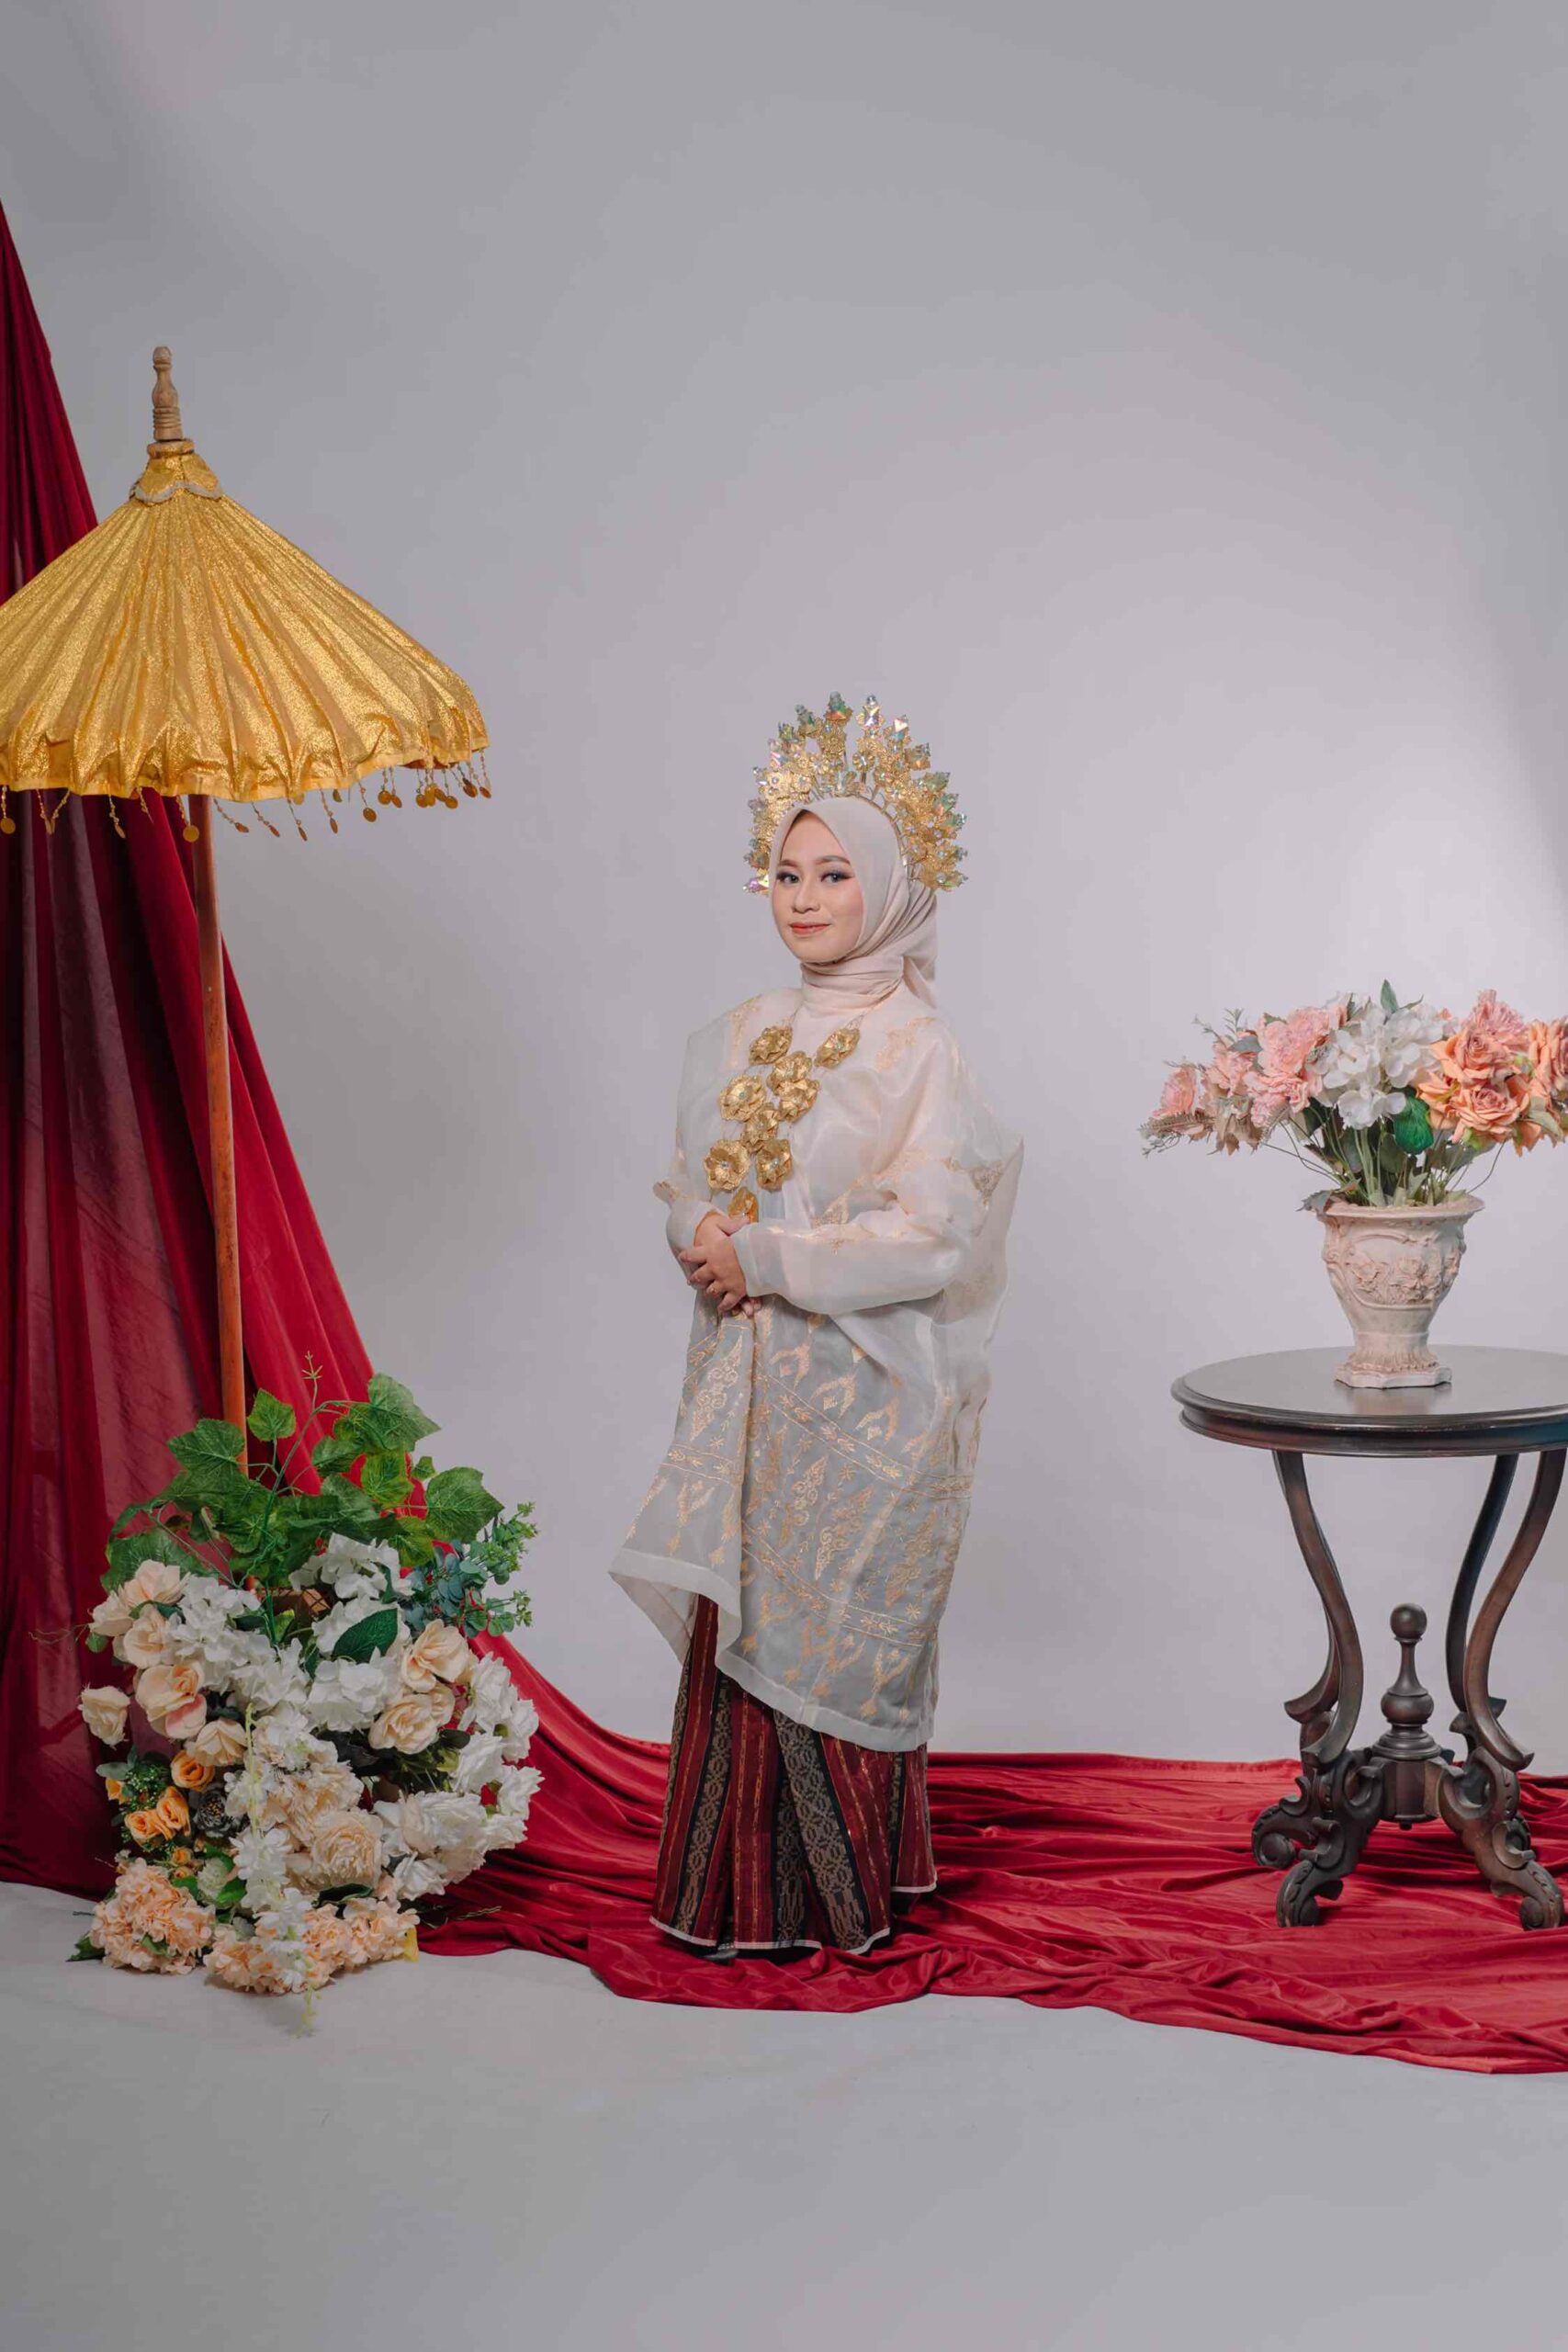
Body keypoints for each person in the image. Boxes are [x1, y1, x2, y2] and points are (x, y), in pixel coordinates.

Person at [612, 695, 1021, 1959]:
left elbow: (934, 1234)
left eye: (835, 873)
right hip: (744, 1381)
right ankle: (734, 1895)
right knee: (746, 1614)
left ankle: (838, 1892)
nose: (804, 898)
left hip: (866, 1392)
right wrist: (699, 1234)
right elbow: (687, 1183)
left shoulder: (919, 1049)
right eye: (788, 873)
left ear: (891, 887)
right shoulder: (739, 1032)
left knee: (832, 1630)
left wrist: (769, 1257)